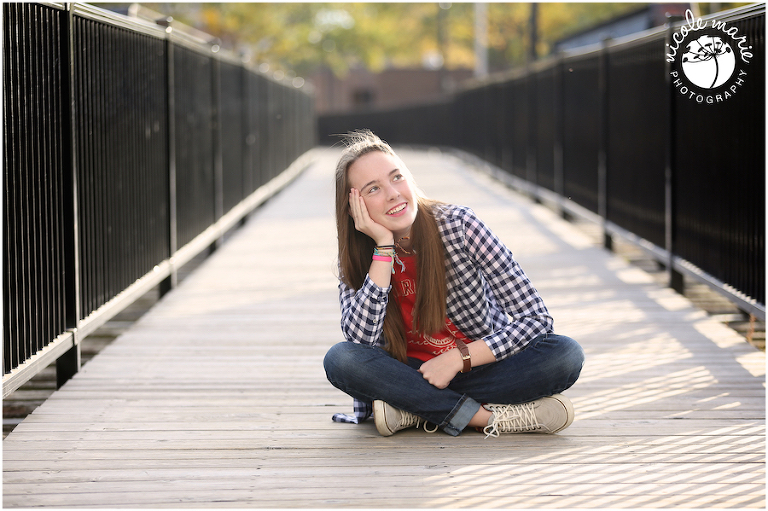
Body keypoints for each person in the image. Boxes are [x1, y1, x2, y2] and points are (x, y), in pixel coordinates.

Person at [323, 130, 584, 438]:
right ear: (355, 207)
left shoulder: (460, 227)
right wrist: (382, 248)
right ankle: (485, 417)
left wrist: (459, 359)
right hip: (407, 372)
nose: (393, 193)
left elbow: (537, 320)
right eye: (374, 188)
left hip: (477, 366)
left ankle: (412, 409)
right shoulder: (355, 256)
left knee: (565, 354)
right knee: (341, 359)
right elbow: (360, 343)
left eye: (397, 177)